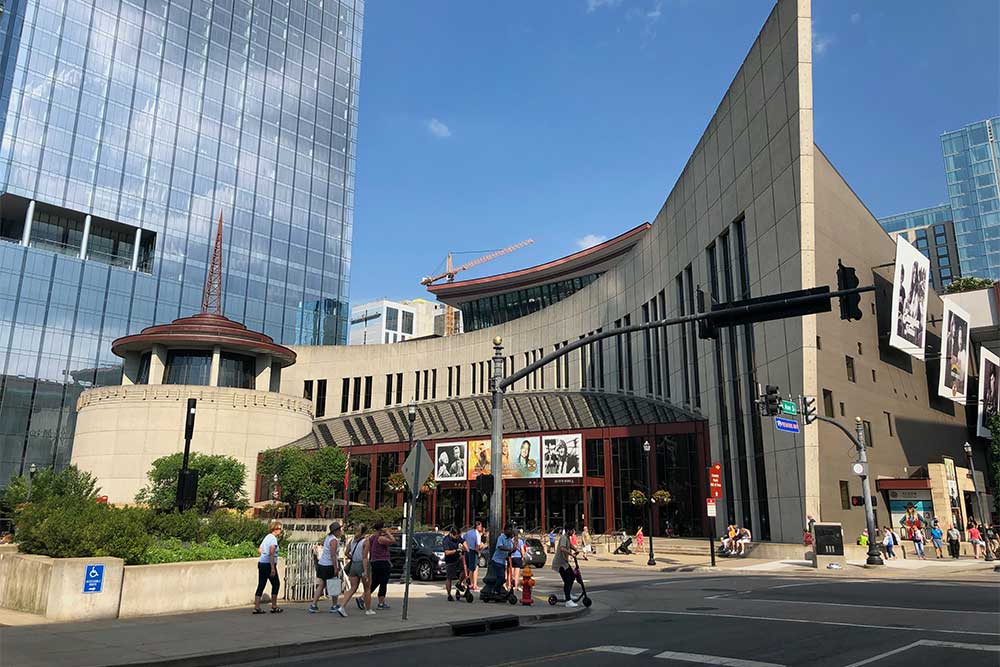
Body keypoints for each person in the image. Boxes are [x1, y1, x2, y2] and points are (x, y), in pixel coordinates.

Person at [310, 523, 346, 616]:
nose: (340, 531)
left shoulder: (328, 538)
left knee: (321, 584)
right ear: (336, 531)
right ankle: (334, 605)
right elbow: (333, 555)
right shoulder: (333, 540)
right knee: (334, 584)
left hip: (322, 563)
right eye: (339, 530)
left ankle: (314, 604)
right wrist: (335, 567)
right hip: (329, 565)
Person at [340, 524, 372, 615]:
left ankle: (342, 606)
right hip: (362, 565)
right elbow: (365, 557)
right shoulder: (366, 541)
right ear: (365, 532)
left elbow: (346, 553)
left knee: (353, 588)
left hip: (353, 565)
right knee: (367, 588)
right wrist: (365, 571)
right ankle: (368, 609)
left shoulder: (352, 540)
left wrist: (353, 557)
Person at [254, 520, 283, 614]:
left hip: (262, 562)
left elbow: (260, 549)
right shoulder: (273, 539)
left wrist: (264, 553)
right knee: (276, 584)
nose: (280, 531)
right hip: (268, 564)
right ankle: (274, 606)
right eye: (279, 529)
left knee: (261, 584)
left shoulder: (267, 537)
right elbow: (271, 553)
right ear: (275, 529)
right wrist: (272, 568)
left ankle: (257, 607)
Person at [367, 521, 396, 610]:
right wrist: (387, 532)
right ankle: (381, 602)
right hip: (382, 561)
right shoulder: (380, 538)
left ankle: (363, 597)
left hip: (374, 561)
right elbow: (393, 541)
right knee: (383, 582)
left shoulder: (371, 538)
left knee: (375, 581)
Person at [552, 525, 579, 607]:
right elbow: (562, 548)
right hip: (560, 563)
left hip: (564, 562)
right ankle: (568, 601)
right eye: (572, 530)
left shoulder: (567, 538)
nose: (573, 532)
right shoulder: (563, 537)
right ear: (567, 530)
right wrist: (571, 554)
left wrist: (575, 549)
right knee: (567, 580)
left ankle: (567, 594)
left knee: (572, 576)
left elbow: (569, 545)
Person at [442, 526, 466, 601]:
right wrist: (456, 550)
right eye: (456, 536)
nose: (457, 538)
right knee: (449, 578)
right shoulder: (446, 540)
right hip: (450, 561)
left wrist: (467, 549)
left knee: (465, 571)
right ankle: (449, 595)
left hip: (458, 559)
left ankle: (459, 583)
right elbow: (446, 552)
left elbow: (463, 541)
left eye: (458, 536)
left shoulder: (458, 537)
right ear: (451, 534)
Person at [490, 524, 516, 591]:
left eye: (511, 530)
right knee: (501, 577)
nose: (510, 531)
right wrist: (509, 549)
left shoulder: (510, 539)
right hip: (497, 561)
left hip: (503, 561)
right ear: (505, 530)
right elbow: (500, 547)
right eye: (509, 530)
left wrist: (513, 550)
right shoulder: (501, 537)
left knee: (502, 578)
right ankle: (494, 590)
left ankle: (498, 591)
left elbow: (510, 549)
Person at [464, 521, 483, 591]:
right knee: (473, 568)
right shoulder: (477, 534)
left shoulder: (469, 532)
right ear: (478, 527)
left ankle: (470, 583)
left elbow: (464, 539)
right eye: (480, 526)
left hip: (467, 550)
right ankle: (472, 584)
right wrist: (479, 551)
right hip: (473, 551)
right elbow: (478, 545)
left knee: (469, 568)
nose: (481, 528)